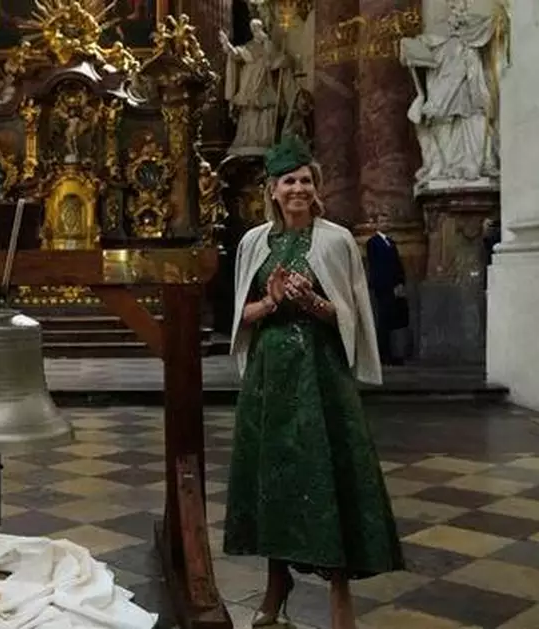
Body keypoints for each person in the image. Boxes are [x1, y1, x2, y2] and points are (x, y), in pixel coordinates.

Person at [224, 137, 404, 629]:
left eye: (307, 180)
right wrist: (273, 301)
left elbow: (352, 313)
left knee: (328, 476)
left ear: (316, 188)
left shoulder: (336, 240)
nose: (299, 188)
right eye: (290, 181)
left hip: (321, 377)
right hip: (270, 380)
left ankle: (340, 597)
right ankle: (275, 586)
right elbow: (243, 314)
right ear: (273, 191)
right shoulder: (252, 243)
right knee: (276, 477)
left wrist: (315, 305)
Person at [365, 212, 409, 365]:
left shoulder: (390, 242)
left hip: (394, 287)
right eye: (382, 221)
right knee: (383, 321)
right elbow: (377, 267)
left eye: (387, 221)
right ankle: (384, 355)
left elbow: (396, 264)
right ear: (376, 224)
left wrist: (400, 282)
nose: (385, 224)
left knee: (392, 322)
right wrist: (387, 284)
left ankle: (393, 353)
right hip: (383, 287)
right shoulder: (373, 242)